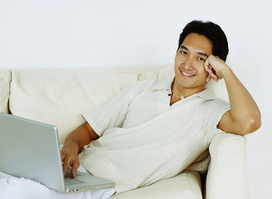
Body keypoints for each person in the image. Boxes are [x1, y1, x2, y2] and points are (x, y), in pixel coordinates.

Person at [60, 20, 261, 194]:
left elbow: (250, 121)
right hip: (73, 165)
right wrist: (70, 146)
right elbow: (88, 129)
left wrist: (226, 71)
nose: (187, 64)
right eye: (183, 52)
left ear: (213, 67)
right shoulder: (143, 89)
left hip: (97, 186)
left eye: (200, 58)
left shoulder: (211, 112)